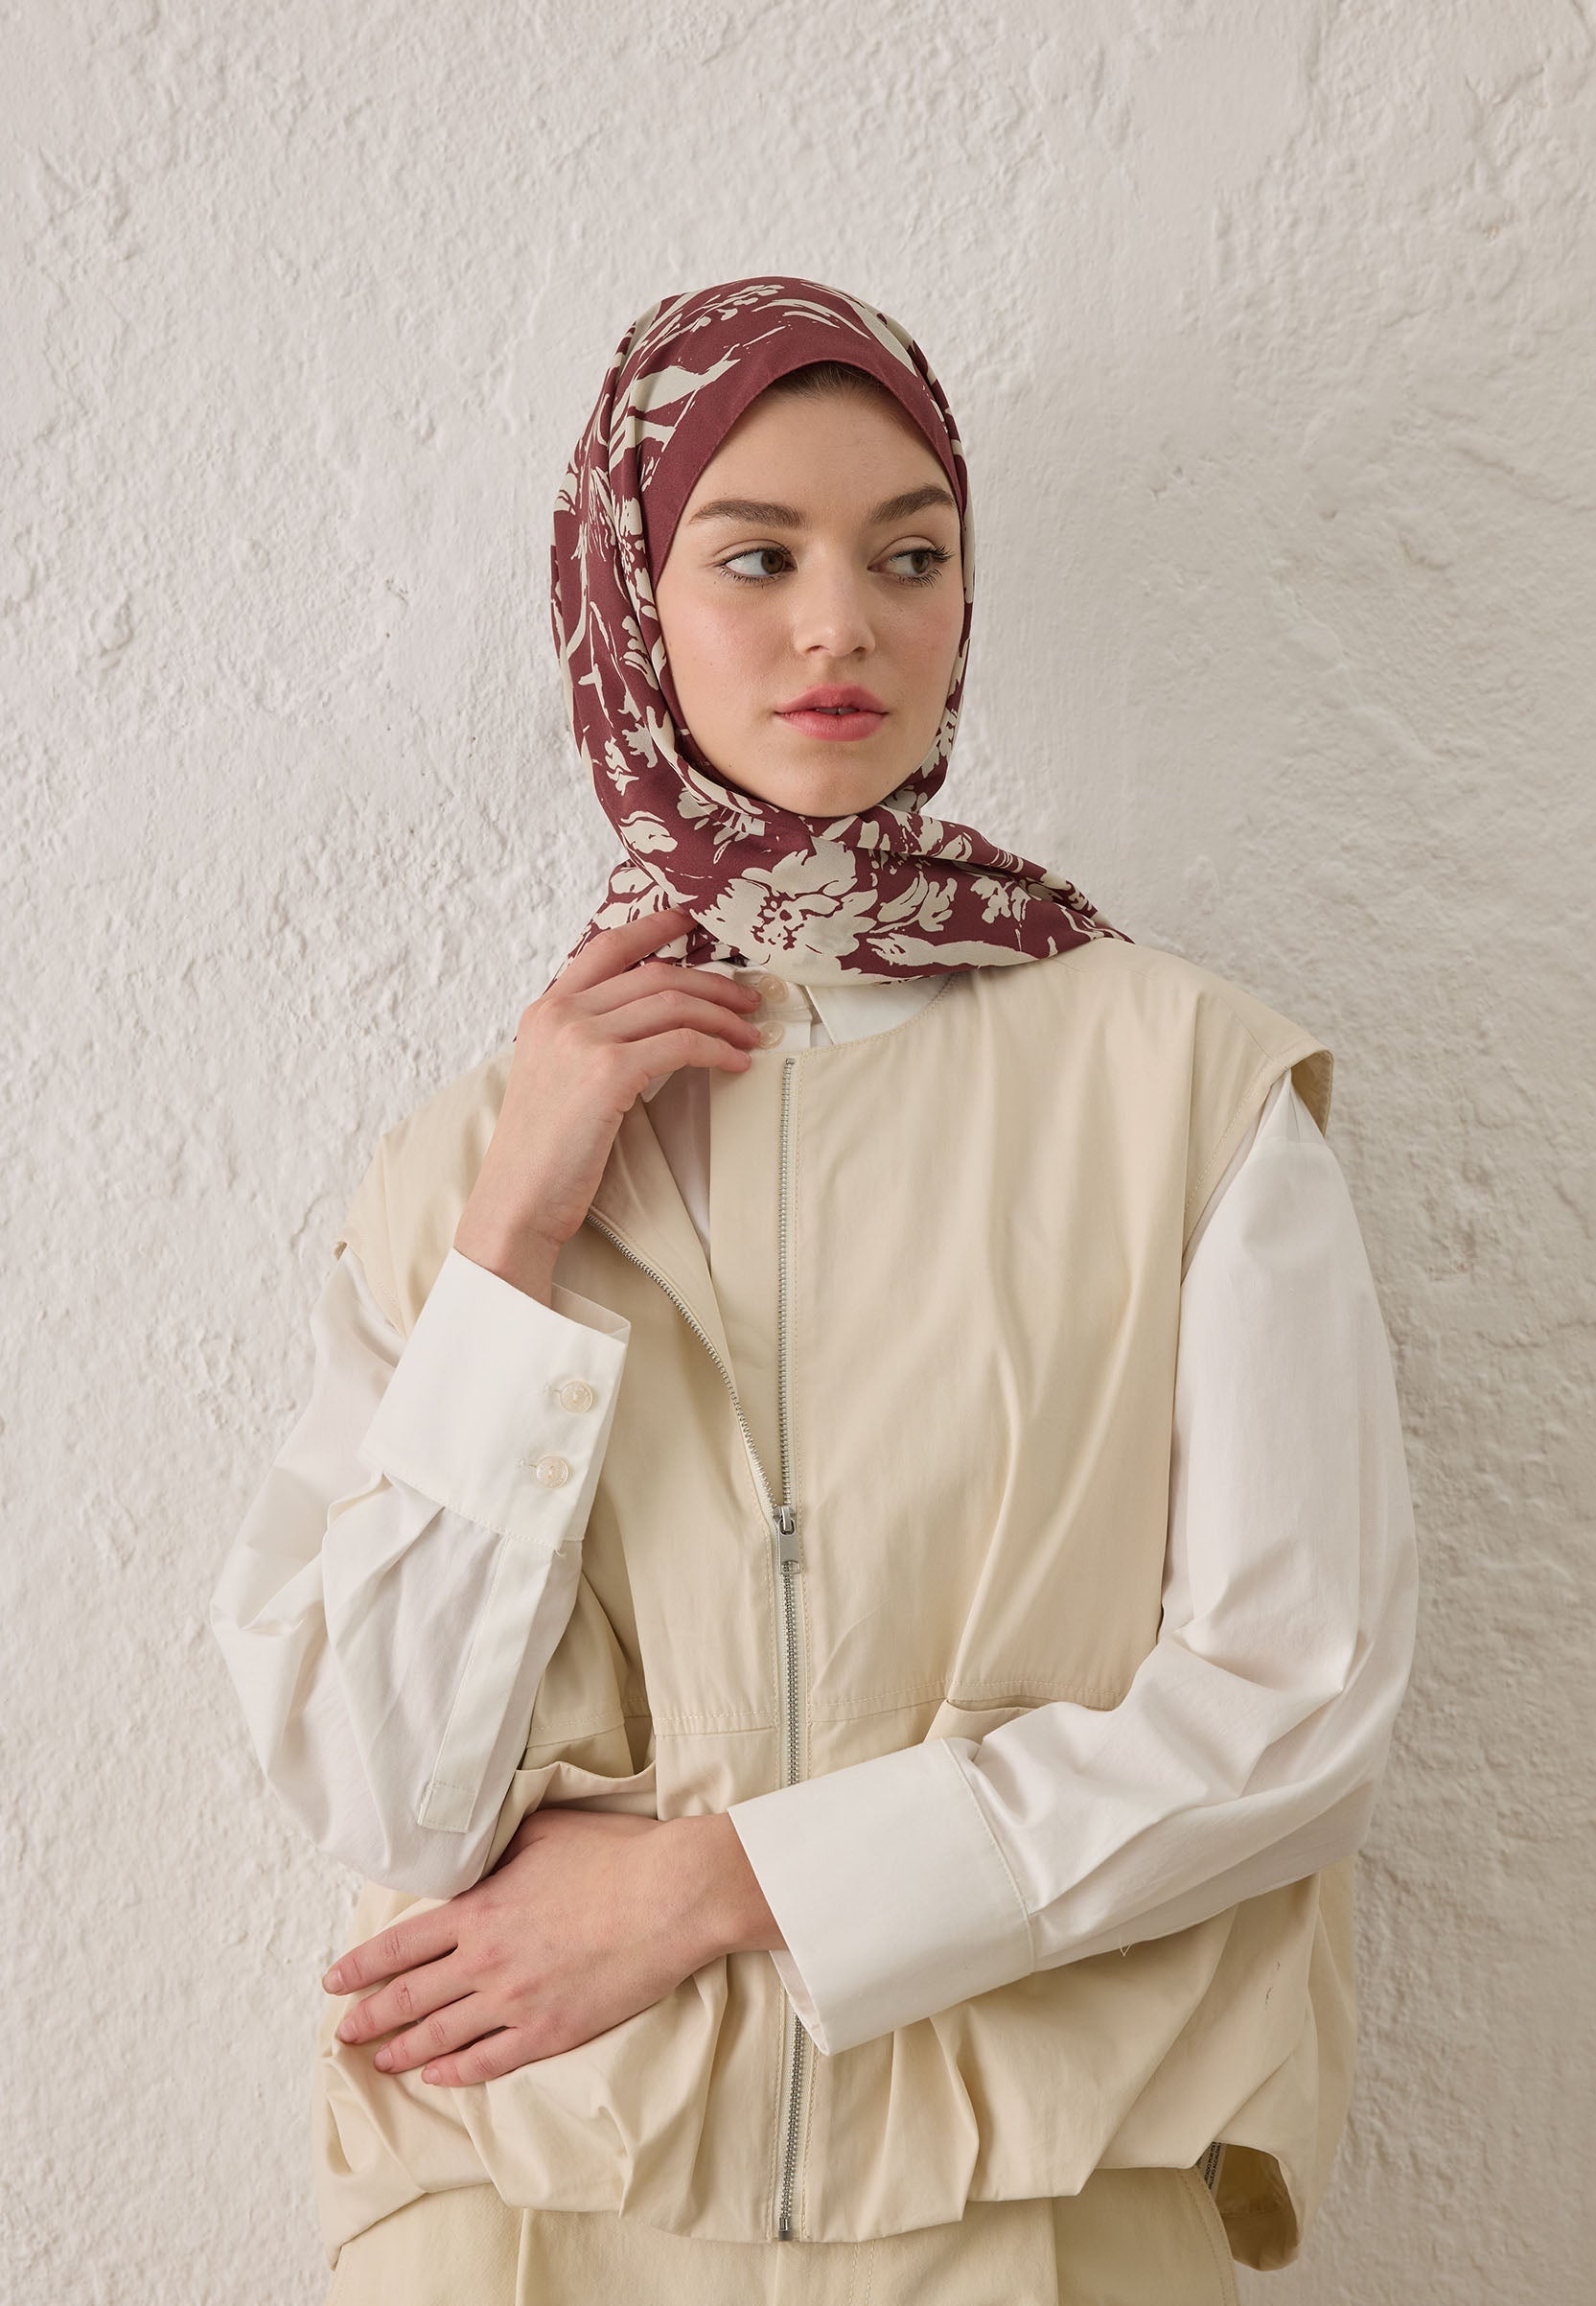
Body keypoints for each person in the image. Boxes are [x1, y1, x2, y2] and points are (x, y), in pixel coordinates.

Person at [211, 276, 1419, 2305]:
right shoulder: (465, 1164)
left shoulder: (1180, 1087)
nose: (840, 624)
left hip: (1035, 2206)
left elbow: (1292, 1703)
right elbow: (389, 1788)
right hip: (540, 2211)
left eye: (907, 556)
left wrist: (720, 1885)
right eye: (755, 555)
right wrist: (514, 1241)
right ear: (628, 603)